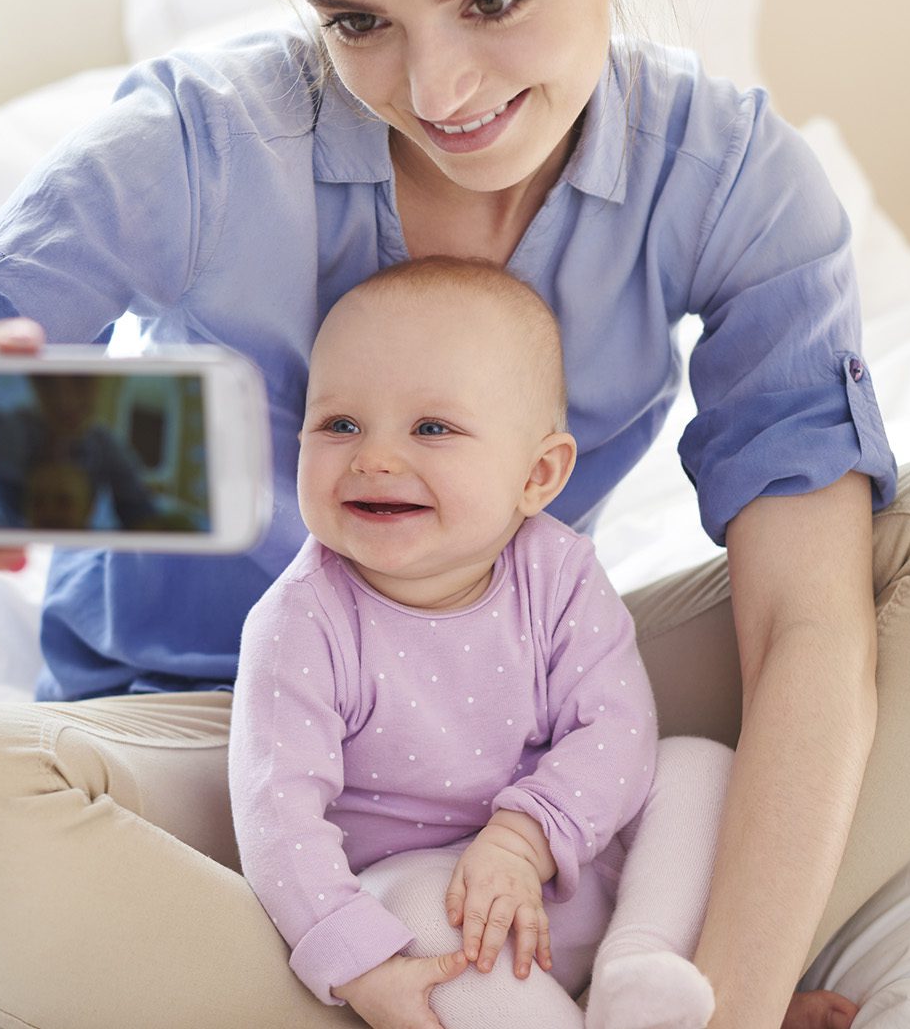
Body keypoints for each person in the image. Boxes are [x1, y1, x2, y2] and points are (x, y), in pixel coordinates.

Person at [0, 0, 910, 1025]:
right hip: (210, 759)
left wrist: (735, 1006)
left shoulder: (730, 182)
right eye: (357, 22)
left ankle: (644, 1003)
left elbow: (802, 624)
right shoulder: (203, 147)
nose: (438, 85)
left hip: (510, 725)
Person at [231, 256, 859, 1029]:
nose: (374, 457)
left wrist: (526, 839)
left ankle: (642, 967)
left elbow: (616, 727)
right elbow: (276, 819)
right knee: (415, 900)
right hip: (455, 922)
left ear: (538, 474)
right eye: (339, 424)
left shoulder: (557, 572)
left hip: (573, 863)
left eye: (431, 428)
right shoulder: (302, 621)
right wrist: (362, 969)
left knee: (699, 765)